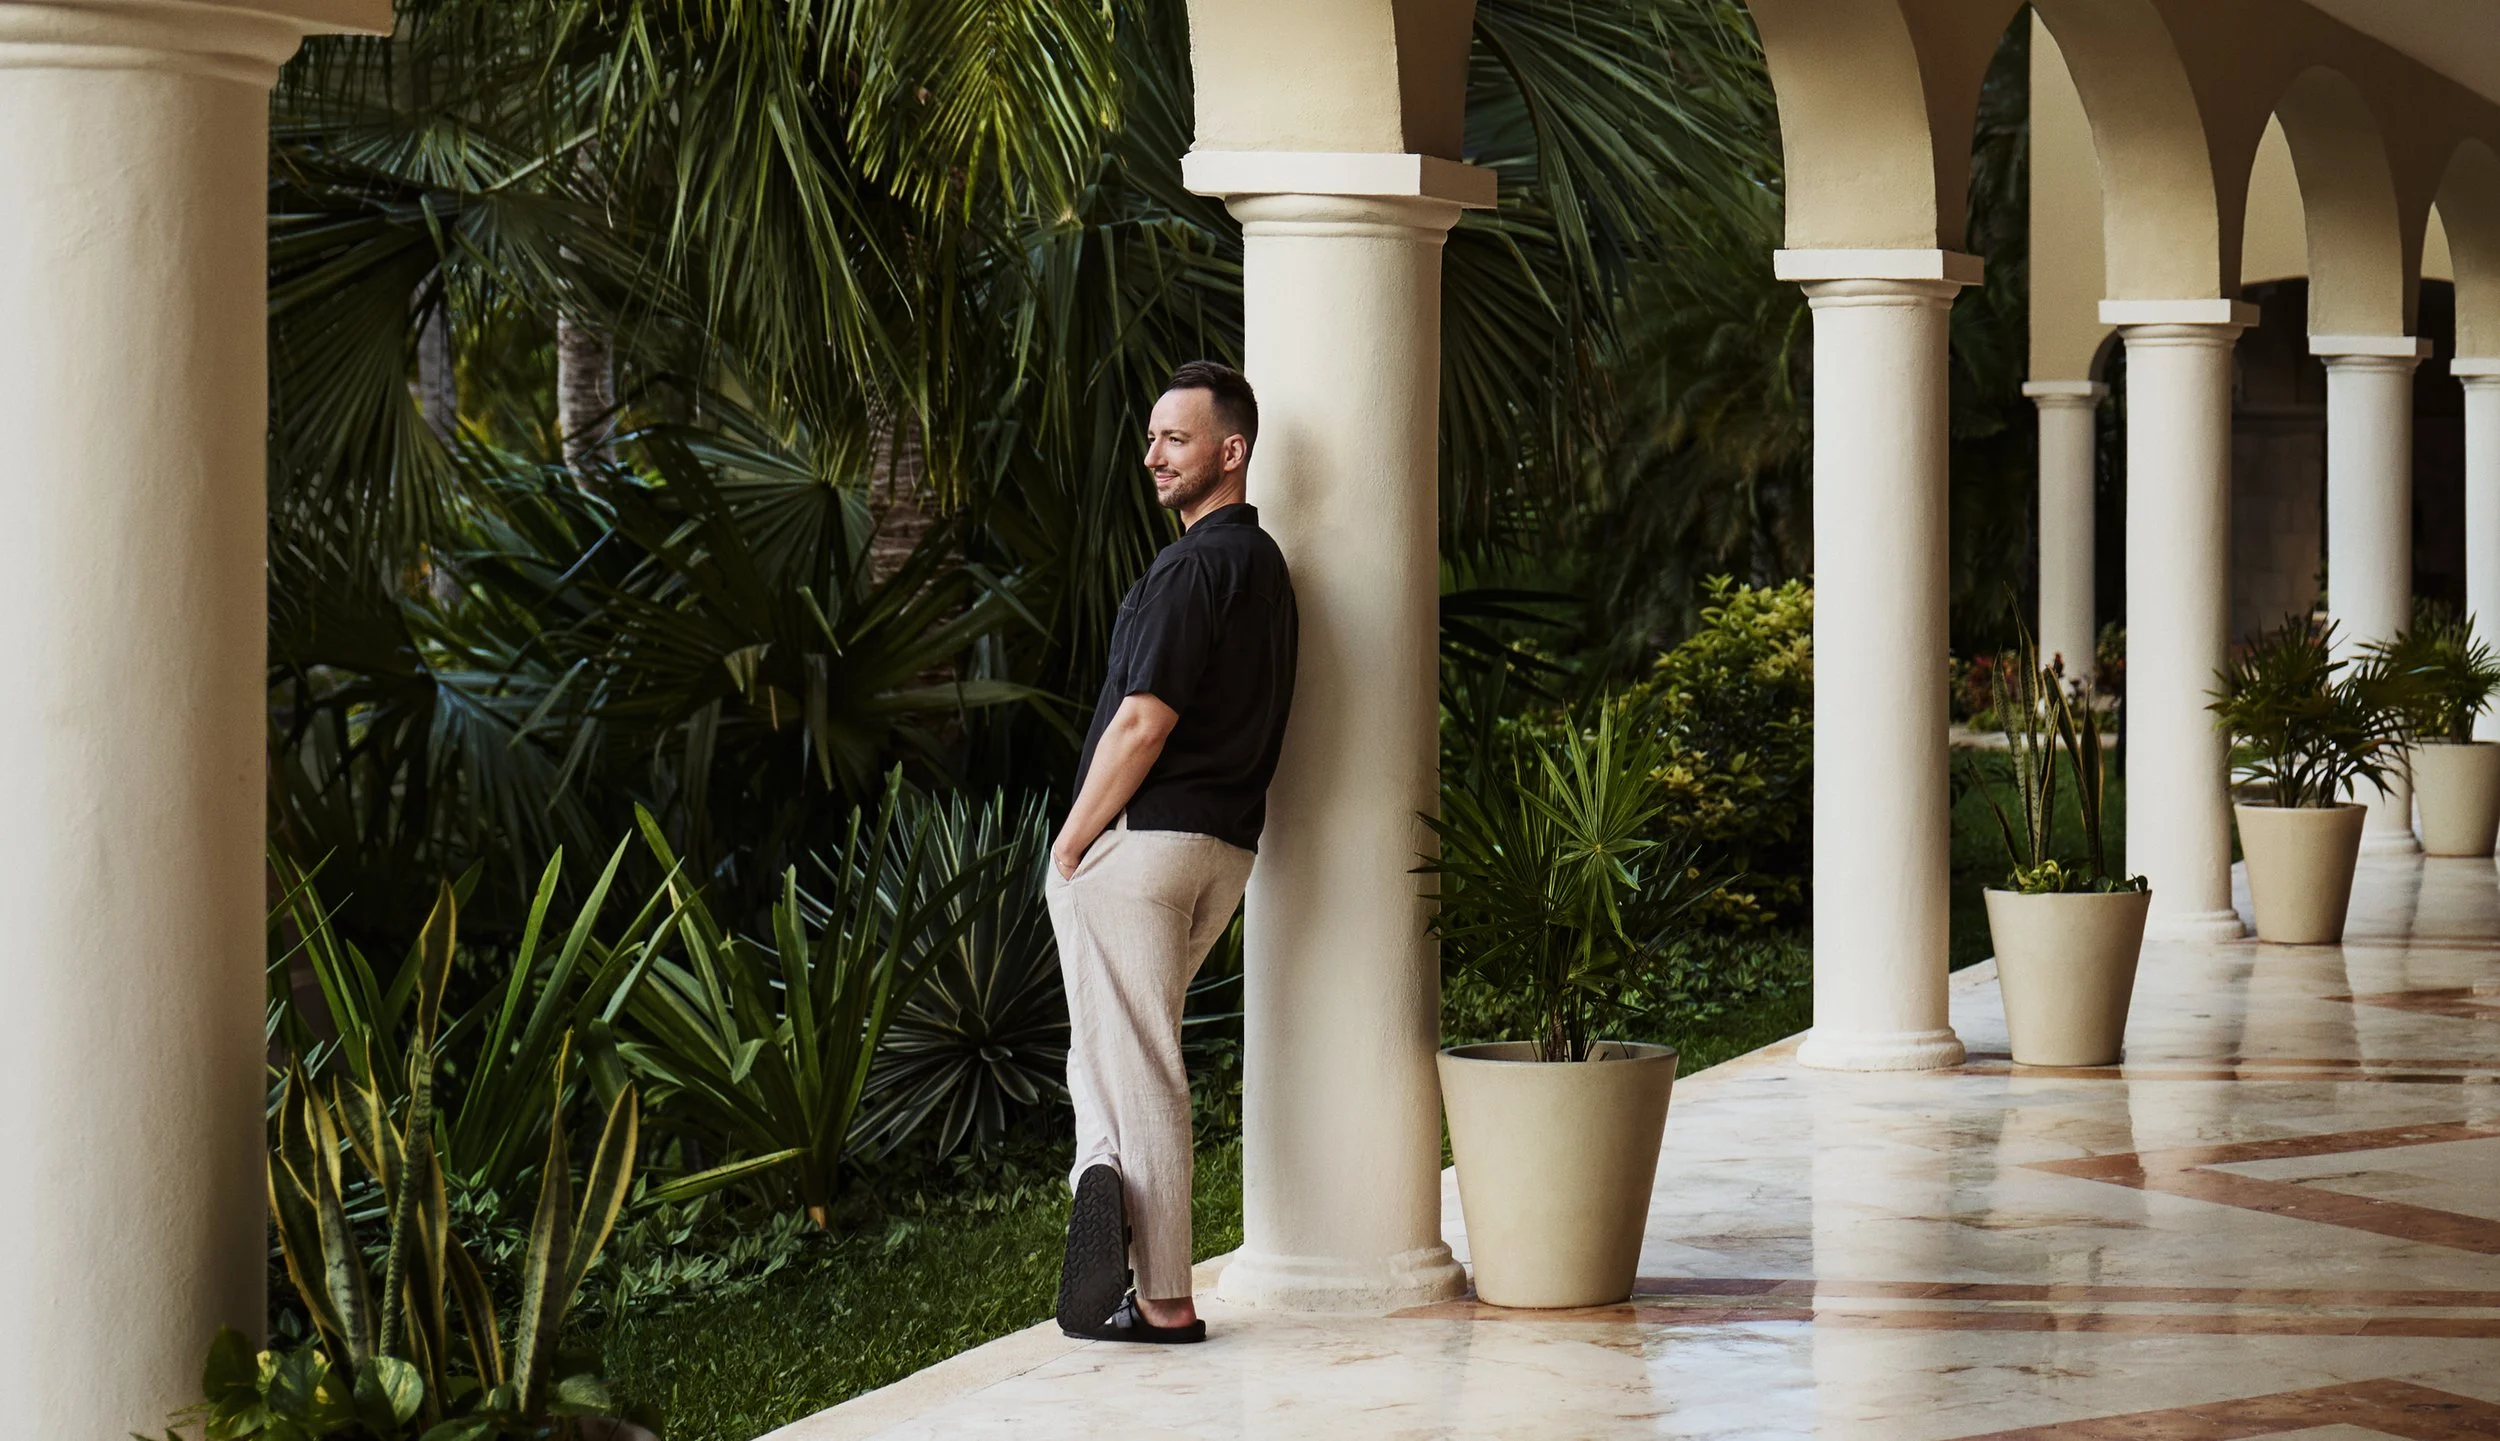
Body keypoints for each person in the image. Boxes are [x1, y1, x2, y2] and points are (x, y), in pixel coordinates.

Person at [1048, 360, 1298, 1344]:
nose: (1153, 455)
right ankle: (1101, 1182)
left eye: (1176, 440)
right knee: (1108, 1048)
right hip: (1223, 853)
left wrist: (1074, 838)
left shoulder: (1192, 567)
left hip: (1142, 847)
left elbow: (1144, 718)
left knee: (1137, 1059)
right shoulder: (1265, 566)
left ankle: (1162, 1297)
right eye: (1151, 438)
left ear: (1229, 452)